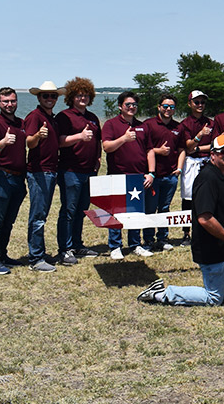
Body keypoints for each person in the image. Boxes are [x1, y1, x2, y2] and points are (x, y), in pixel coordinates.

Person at [137, 133, 224, 306]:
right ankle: (162, 293)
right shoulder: (207, 179)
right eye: (223, 151)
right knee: (213, 298)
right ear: (212, 155)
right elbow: (205, 219)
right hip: (214, 245)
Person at [56, 77, 102, 265]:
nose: (82, 98)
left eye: (86, 95)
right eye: (79, 95)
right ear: (71, 97)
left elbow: (97, 141)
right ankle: (65, 249)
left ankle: (77, 244)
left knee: (82, 210)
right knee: (69, 210)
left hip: (89, 171)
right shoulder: (64, 116)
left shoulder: (92, 117)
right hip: (70, 171)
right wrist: (79, 136)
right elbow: (59, 141)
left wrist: (98, 158)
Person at [102, 91, 153, 260]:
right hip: (117, 176)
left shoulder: (143, 126)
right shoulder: (111, 124)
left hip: (138, 176)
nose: (132, 107)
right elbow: (107, 147)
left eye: (134, 105)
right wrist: (123, 139)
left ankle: (135, 244)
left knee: (136, 213)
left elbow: (149, 150)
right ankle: (115, 246)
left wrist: (151, 173)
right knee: (115, 213)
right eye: (128, 105)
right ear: (120, 106)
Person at [0, 87, 27, 274]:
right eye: (6, 101)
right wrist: (1, 143)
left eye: (13, 101)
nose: (10, 104)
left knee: (9, 221)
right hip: (1, 177)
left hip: (18, 178)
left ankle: (2, 255)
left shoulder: (21, 123)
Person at [24, 81, 64, 272]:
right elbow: (29, 143)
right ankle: (36, 258)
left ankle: (39, 252)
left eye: (53, 96)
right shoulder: (34, 116)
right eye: (46, 96)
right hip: (39, 172)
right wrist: (38, 135)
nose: (50, 99)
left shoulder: (52, 118)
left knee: (43, 214)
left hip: (51, 171)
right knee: (38, 216)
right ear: (39, 98)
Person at [143, 93, 185, 251]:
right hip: (153, 176)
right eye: (165, 106)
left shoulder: (178, 127)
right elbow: (143, 149)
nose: (168, 109)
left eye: (172, 107)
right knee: (150, 209)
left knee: (165, 208)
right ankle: (148, 240)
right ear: (159, 107)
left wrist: (179, 168)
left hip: (170, 176)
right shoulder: (148, 124)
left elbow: (182, 150)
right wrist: (158, 151)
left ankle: (162, 238)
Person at [179, 90, 213, 245]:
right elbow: (188, 146)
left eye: (202, 102)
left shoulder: (211, 122)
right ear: (190, 104)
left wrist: (198, 147)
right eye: (196, 102)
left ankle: (207, 229)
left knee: (208, 197)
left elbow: (213, 145)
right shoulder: (185, 124)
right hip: (191, 163)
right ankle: (186, 232)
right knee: (188, 198)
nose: (200, 105)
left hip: (206, 161)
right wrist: (199, 135)